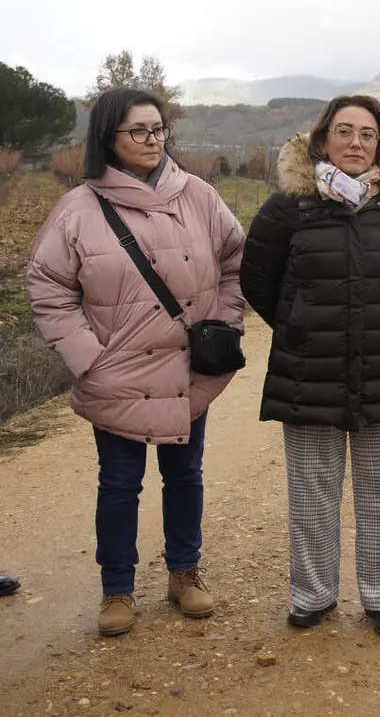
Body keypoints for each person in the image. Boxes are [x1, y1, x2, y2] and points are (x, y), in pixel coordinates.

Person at [26, 87, 246, 637]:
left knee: (186, 473)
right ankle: (117, 588)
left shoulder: (197, 195)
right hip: (116, 373)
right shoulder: (78, 208)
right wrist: (86, 358)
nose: (153, 141)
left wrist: (224, 324)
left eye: (159, 129)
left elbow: (238, 260)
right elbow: (48, 286)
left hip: (187, 367)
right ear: (109, 137)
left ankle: (184, 573)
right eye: (139, 131)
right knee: (120, 483)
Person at [239, 94, 380, 638]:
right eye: (344, 132)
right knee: (312, 489)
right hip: (307, 371)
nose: (355, 143)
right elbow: (259, 280)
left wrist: (373, 322)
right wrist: (301, 323)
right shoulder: (287, 208)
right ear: (323, 140)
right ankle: (313, 594)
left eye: (367, 135)